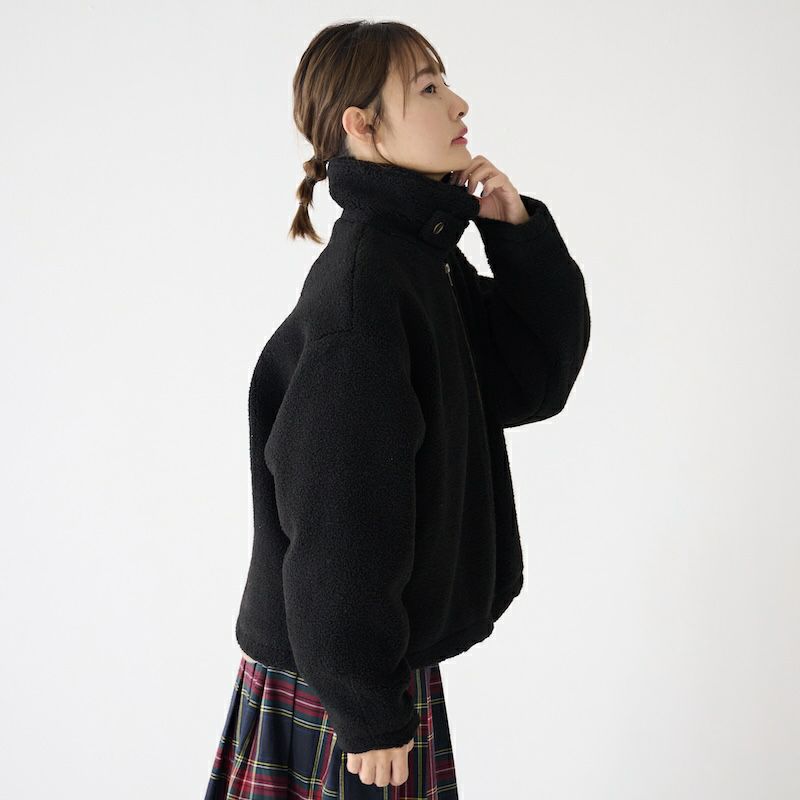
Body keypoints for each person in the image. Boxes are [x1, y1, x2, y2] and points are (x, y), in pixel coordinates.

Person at [205, 19, 591, 799]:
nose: (459, 103)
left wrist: (516, 238)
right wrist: (366, 707)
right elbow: (337, 508)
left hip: (366, 652)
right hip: (339, 668)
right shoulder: (368, 287)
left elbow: (530, 383)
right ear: (362, 124)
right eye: (428, 87)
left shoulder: (419, 262)